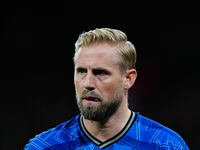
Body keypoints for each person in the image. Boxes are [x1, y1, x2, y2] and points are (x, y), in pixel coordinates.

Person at [24, 28, 189, 150]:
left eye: (100, 73)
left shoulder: (166, 145)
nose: (88, 82)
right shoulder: (44, 147)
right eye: (81, 71)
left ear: (128, 79)